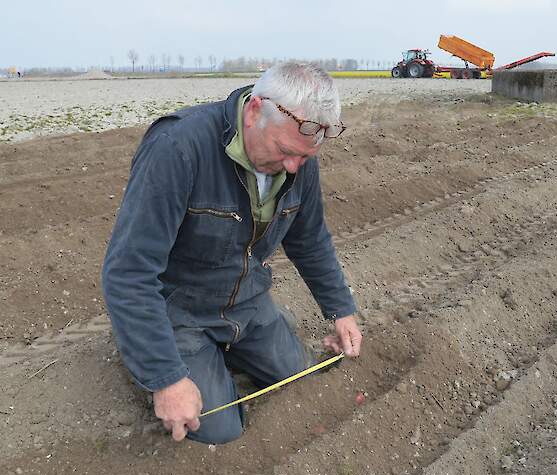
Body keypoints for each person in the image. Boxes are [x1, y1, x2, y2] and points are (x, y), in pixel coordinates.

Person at [102, 63, 363, 445]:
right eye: (286, 152)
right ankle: (147, 348)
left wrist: (341, 309)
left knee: (298, 379)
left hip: (245, 300)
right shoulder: (178, 149)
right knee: (220, 430)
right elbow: (128, 272)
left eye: (304, 159)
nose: (294, 167)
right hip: (181, 309)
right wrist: (167, 378)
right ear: (255, 110)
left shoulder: (299, 155)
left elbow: (310, 239)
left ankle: (231, 349)